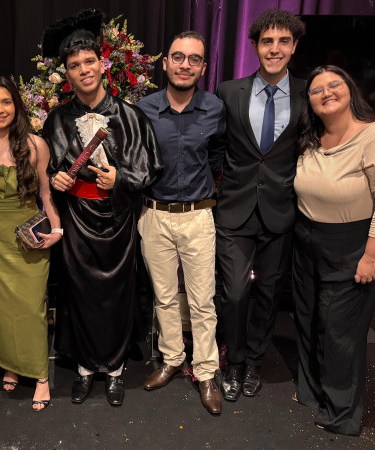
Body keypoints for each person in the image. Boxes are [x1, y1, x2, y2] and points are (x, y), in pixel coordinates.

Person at [42, 9, 163, 406]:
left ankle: (113, 370)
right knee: (79, 294)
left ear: (102, 64)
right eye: (74, 65)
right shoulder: (57, 120)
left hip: (118, 221)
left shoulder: (131, 116)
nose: (83, 70)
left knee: (116, 294)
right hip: (76, 223)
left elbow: (149, 170)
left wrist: (120, 180)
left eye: (89, 61)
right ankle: (83, 369)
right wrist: (57, 181)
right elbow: (47, 172)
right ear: (67, 73)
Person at [293, 65, 375, 435]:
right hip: (308, 240)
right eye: (316, 90)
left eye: (334, 85)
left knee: (340, 331)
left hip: (353, 245)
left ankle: (341, 412)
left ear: (349, 89)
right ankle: (313, 392)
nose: (326, 92)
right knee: (309, 319)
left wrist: (371, 256)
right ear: (309, 102)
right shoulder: (312, 137)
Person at [214, 9, 306, 401]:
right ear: (254, 46)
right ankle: (233, 360)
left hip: (281, 210)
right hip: (234, 209)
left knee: (268, 292)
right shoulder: (228, 91)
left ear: (294, 46)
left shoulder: (309, 92)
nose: (275, 48)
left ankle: (253, 359)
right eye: (267, 41)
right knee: (234, 292)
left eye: (283, 41)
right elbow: (217, 147)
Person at [135, 31, 224, 415]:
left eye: (194, 59)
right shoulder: (144, 108)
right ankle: (172, 358)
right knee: (165, 296)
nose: (185, 64)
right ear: (166, 62)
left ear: (203, 67)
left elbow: (219, 156)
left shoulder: (215, 108)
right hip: (154, 215)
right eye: (178, 57)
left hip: (198, 216)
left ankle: (205, 372)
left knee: (203, 301)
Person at [0, 76, 62, 412]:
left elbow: (46, 195)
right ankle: (10, 364)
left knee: (31, 308)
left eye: (5, 102)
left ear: (17, 106)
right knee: (0, 307)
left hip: (27, 237)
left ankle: (39, 375)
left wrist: (57, 229)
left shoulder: (35, 145)